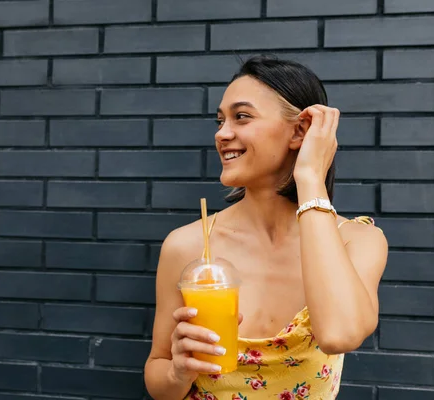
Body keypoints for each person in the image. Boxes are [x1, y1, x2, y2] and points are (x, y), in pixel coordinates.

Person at [144, 55, 388, 400]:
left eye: (241, 117)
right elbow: (158, 376)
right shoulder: (187, 245)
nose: (222, 134)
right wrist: (177, 371)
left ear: (300, 130)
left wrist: (309, 178)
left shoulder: (358, 240)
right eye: (220, 120)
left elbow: (339, 334)